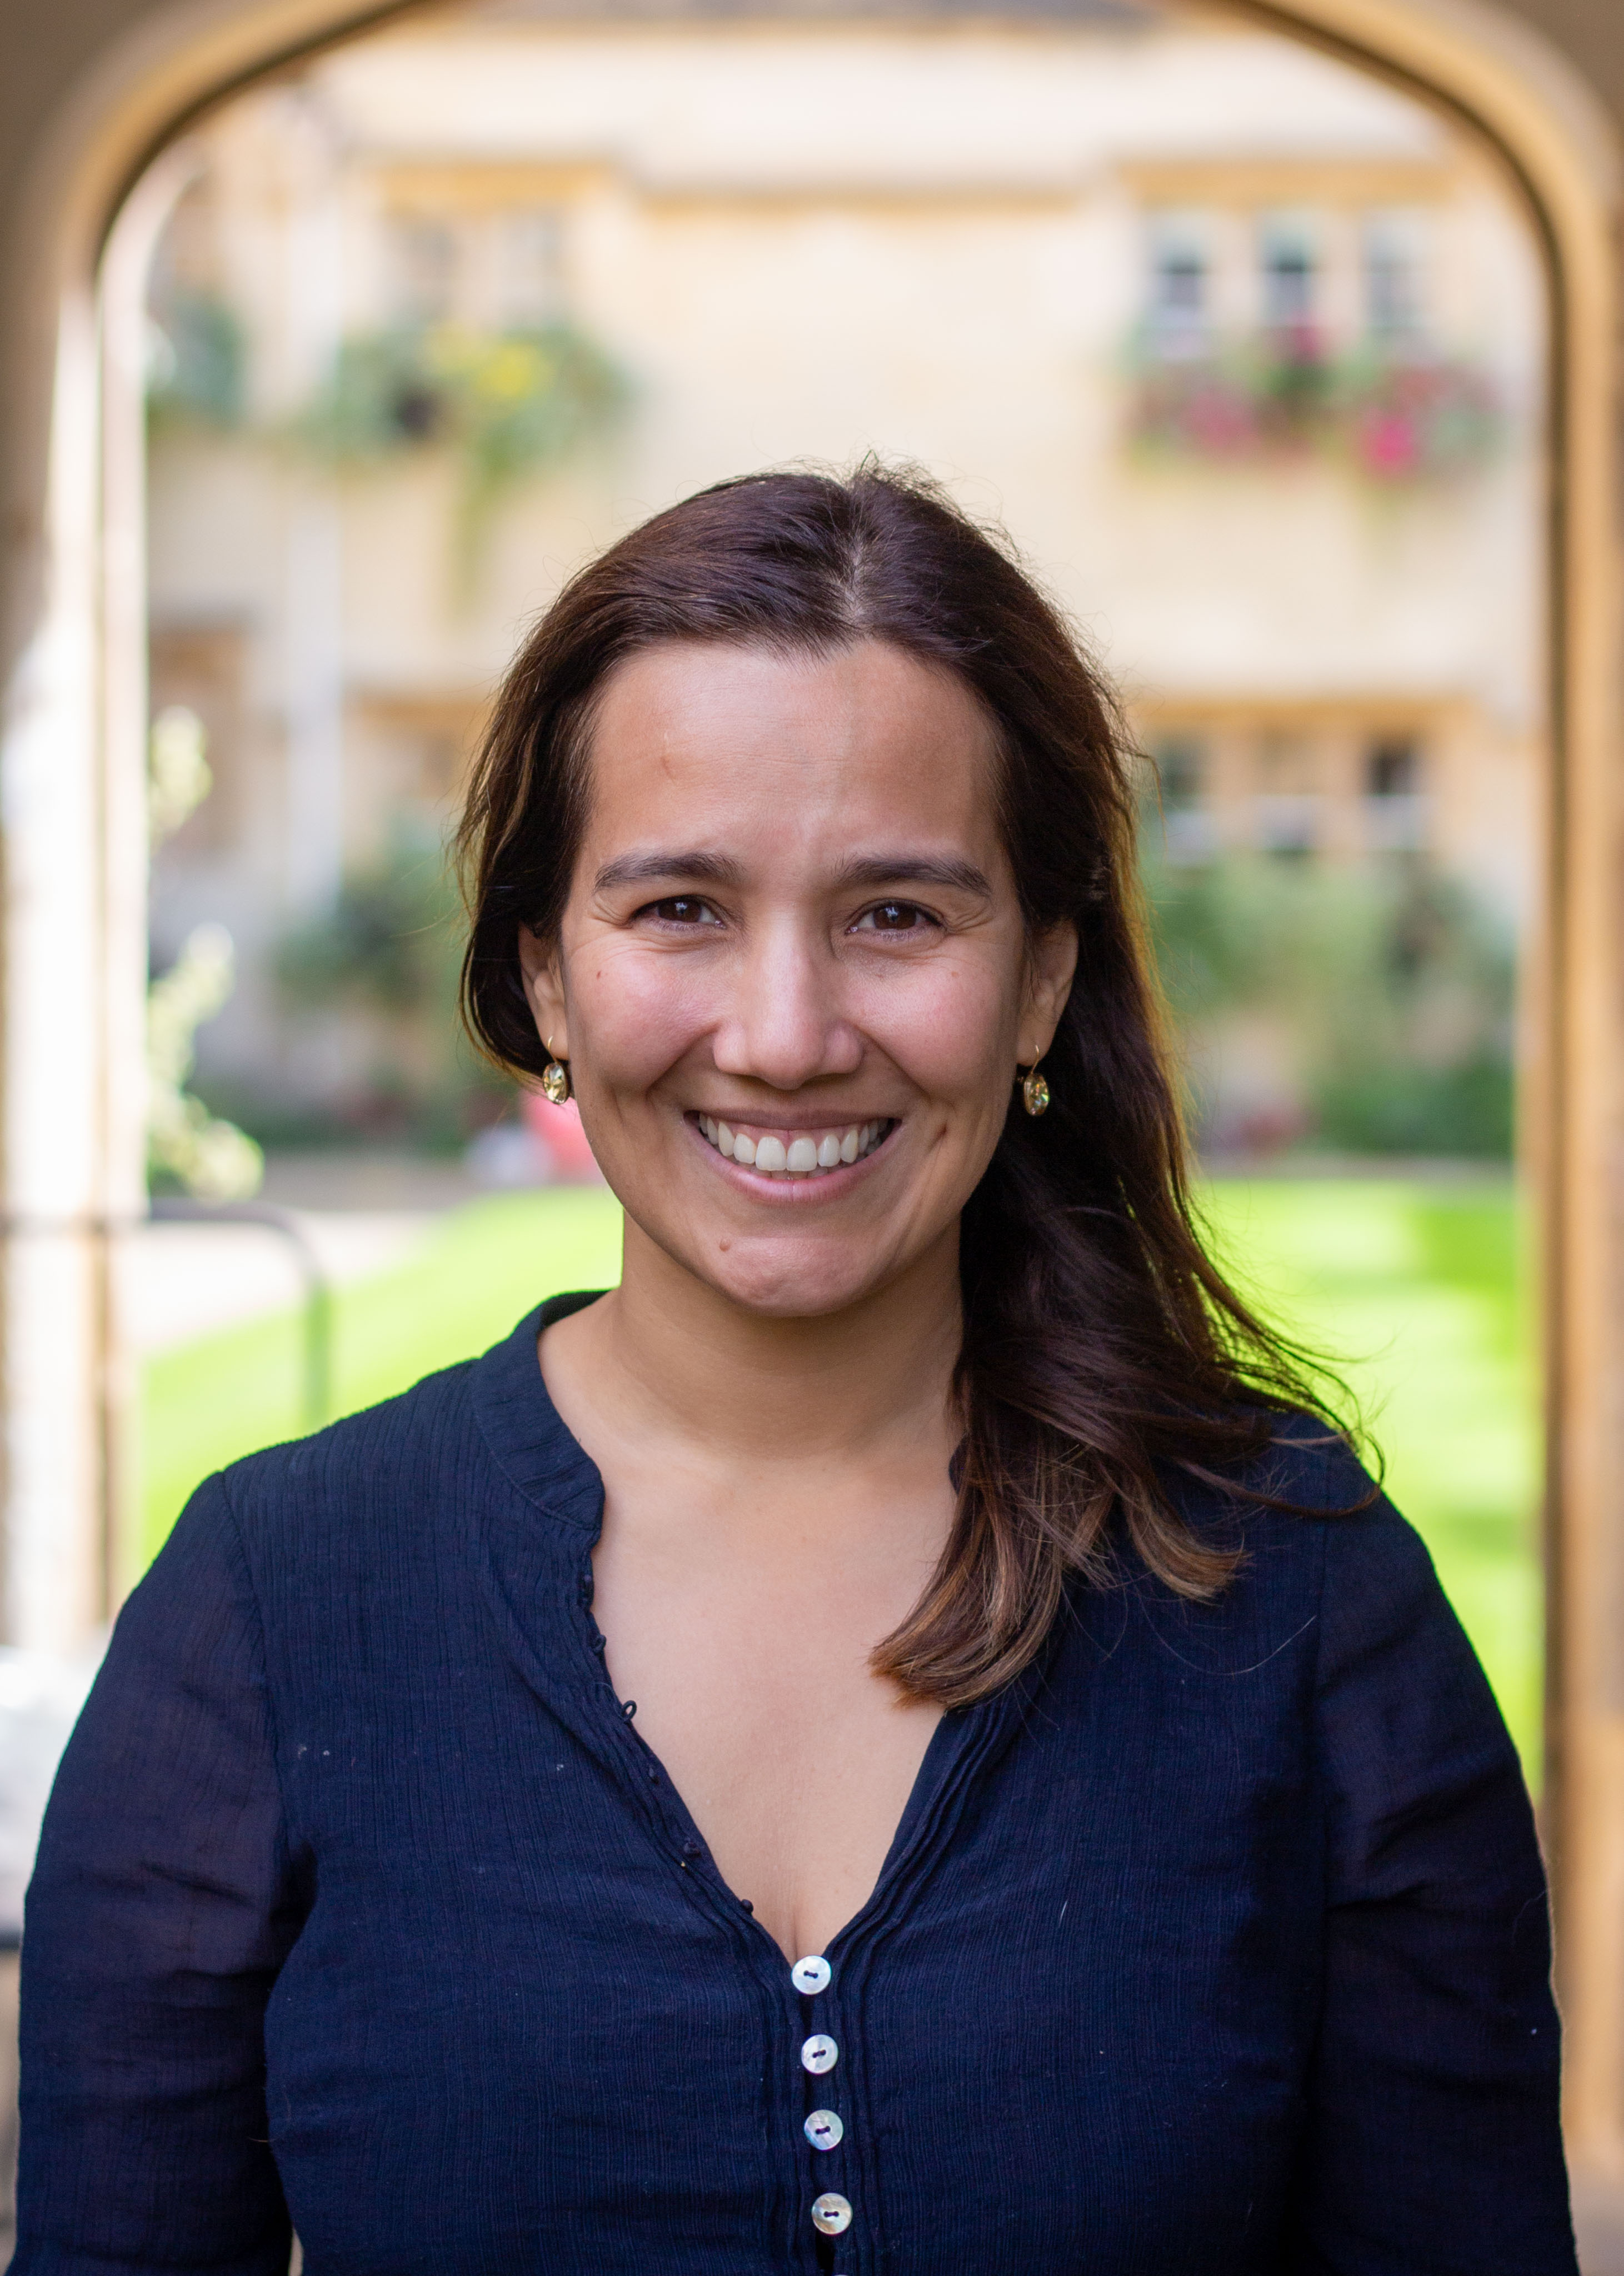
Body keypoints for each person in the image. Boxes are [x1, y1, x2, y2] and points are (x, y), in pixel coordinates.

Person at [13, 467, 1573, 2275]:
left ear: (1043, 981)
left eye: (897, 915)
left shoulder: (1297, 1595)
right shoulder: (271, 1608)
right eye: (677, 907)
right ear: (541, 976)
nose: (783, 1036)